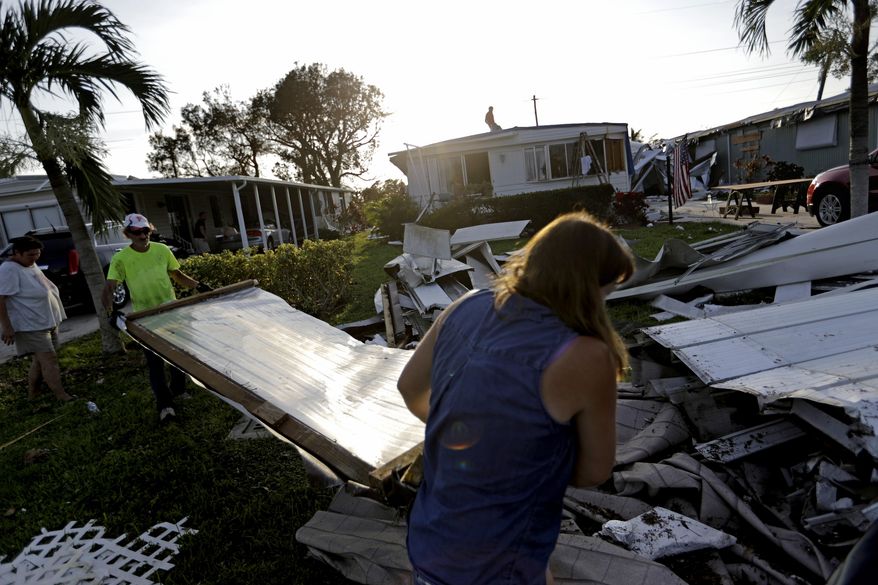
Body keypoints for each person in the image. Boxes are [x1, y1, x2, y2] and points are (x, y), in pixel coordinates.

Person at [397, 211, 633, 585]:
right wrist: (514, 458)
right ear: (590, 287)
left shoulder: (465, 305)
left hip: (429, 545)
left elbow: (409, 388)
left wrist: (474, 443)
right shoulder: (587, 355)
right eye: (607, 290)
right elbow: (594, 471)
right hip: (497, 565)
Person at [102, 213, 207, 422]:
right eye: (137, 232)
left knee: (179, 355)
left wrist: (199, 286)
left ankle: (178, 390)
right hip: (145, 317)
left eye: (145, 231)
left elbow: (177, 275)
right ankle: (165, 405)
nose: (142, 235)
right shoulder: (121, 258)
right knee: (155, 363)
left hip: (171, 310)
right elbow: (110, 287)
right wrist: (110, 311)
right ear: (128, 234)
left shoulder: (162, 250)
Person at [0, 235, 74, 402]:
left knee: (40, 361)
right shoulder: (8, 269)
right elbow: (1, 299)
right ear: (17, 253)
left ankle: (33, 394)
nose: (34, 258)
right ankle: (62, 396)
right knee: (49, 359)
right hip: (30, 324)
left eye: (37, 254)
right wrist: (7, 328)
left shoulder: (29, 264)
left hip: (47, 320)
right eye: (30, 255)